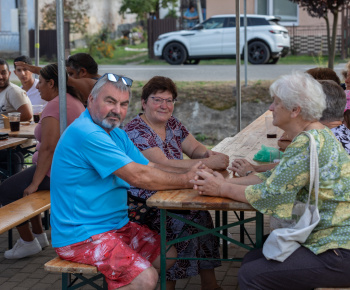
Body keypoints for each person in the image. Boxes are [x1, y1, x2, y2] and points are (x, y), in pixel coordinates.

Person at [191, 71, 350, 290]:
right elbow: (273, 177)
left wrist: (220, 187)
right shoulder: (316, 135)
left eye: (276, 103)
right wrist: (224, 182)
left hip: (336, 250)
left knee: (251, 274)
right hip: (330, 243)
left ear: (296, 110)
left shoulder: (307, 142)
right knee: (253, 258)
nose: (270, 108)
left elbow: (271, 195)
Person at [50, 73, 209, 290]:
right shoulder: (88, 133)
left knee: (167, 254)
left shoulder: (115, 134)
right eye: (110, 101)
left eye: (123, 104)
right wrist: (187, 180)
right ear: (91, 100)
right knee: (145, 278)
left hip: (116, 227)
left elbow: (149, 167)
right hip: (81, 235)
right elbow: (139, 176)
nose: (117, 110)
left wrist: (193, 172)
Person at [124, 76, 228, 290]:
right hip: (143, 204)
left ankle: (210, 284)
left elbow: (195, 148)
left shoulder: (173, 123)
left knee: (201, 215)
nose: (165, 106)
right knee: (178, 223)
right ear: (144, 103)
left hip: (174, 192)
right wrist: (208, 162)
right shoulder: (136, 130)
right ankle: (167, 286)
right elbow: (161, 164)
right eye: (157, 100)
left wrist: (209, 154)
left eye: (169, 100)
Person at [0, 63, 85, 259]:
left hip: (61, 171)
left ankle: (28, 241)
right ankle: (38, 236)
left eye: (41, 83)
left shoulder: (56, 106)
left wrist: (35, 183)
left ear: (52, 83)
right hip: (70, 168)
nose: (37, 87)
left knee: (7, 190)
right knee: (20, 183)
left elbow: (48, 148)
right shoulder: (70, 100)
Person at [15, 54, 99, 105]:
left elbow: (60, 77)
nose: (68, 79)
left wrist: (31, 68)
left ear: (83, 72)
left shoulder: (94, 85)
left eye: (71, 74)